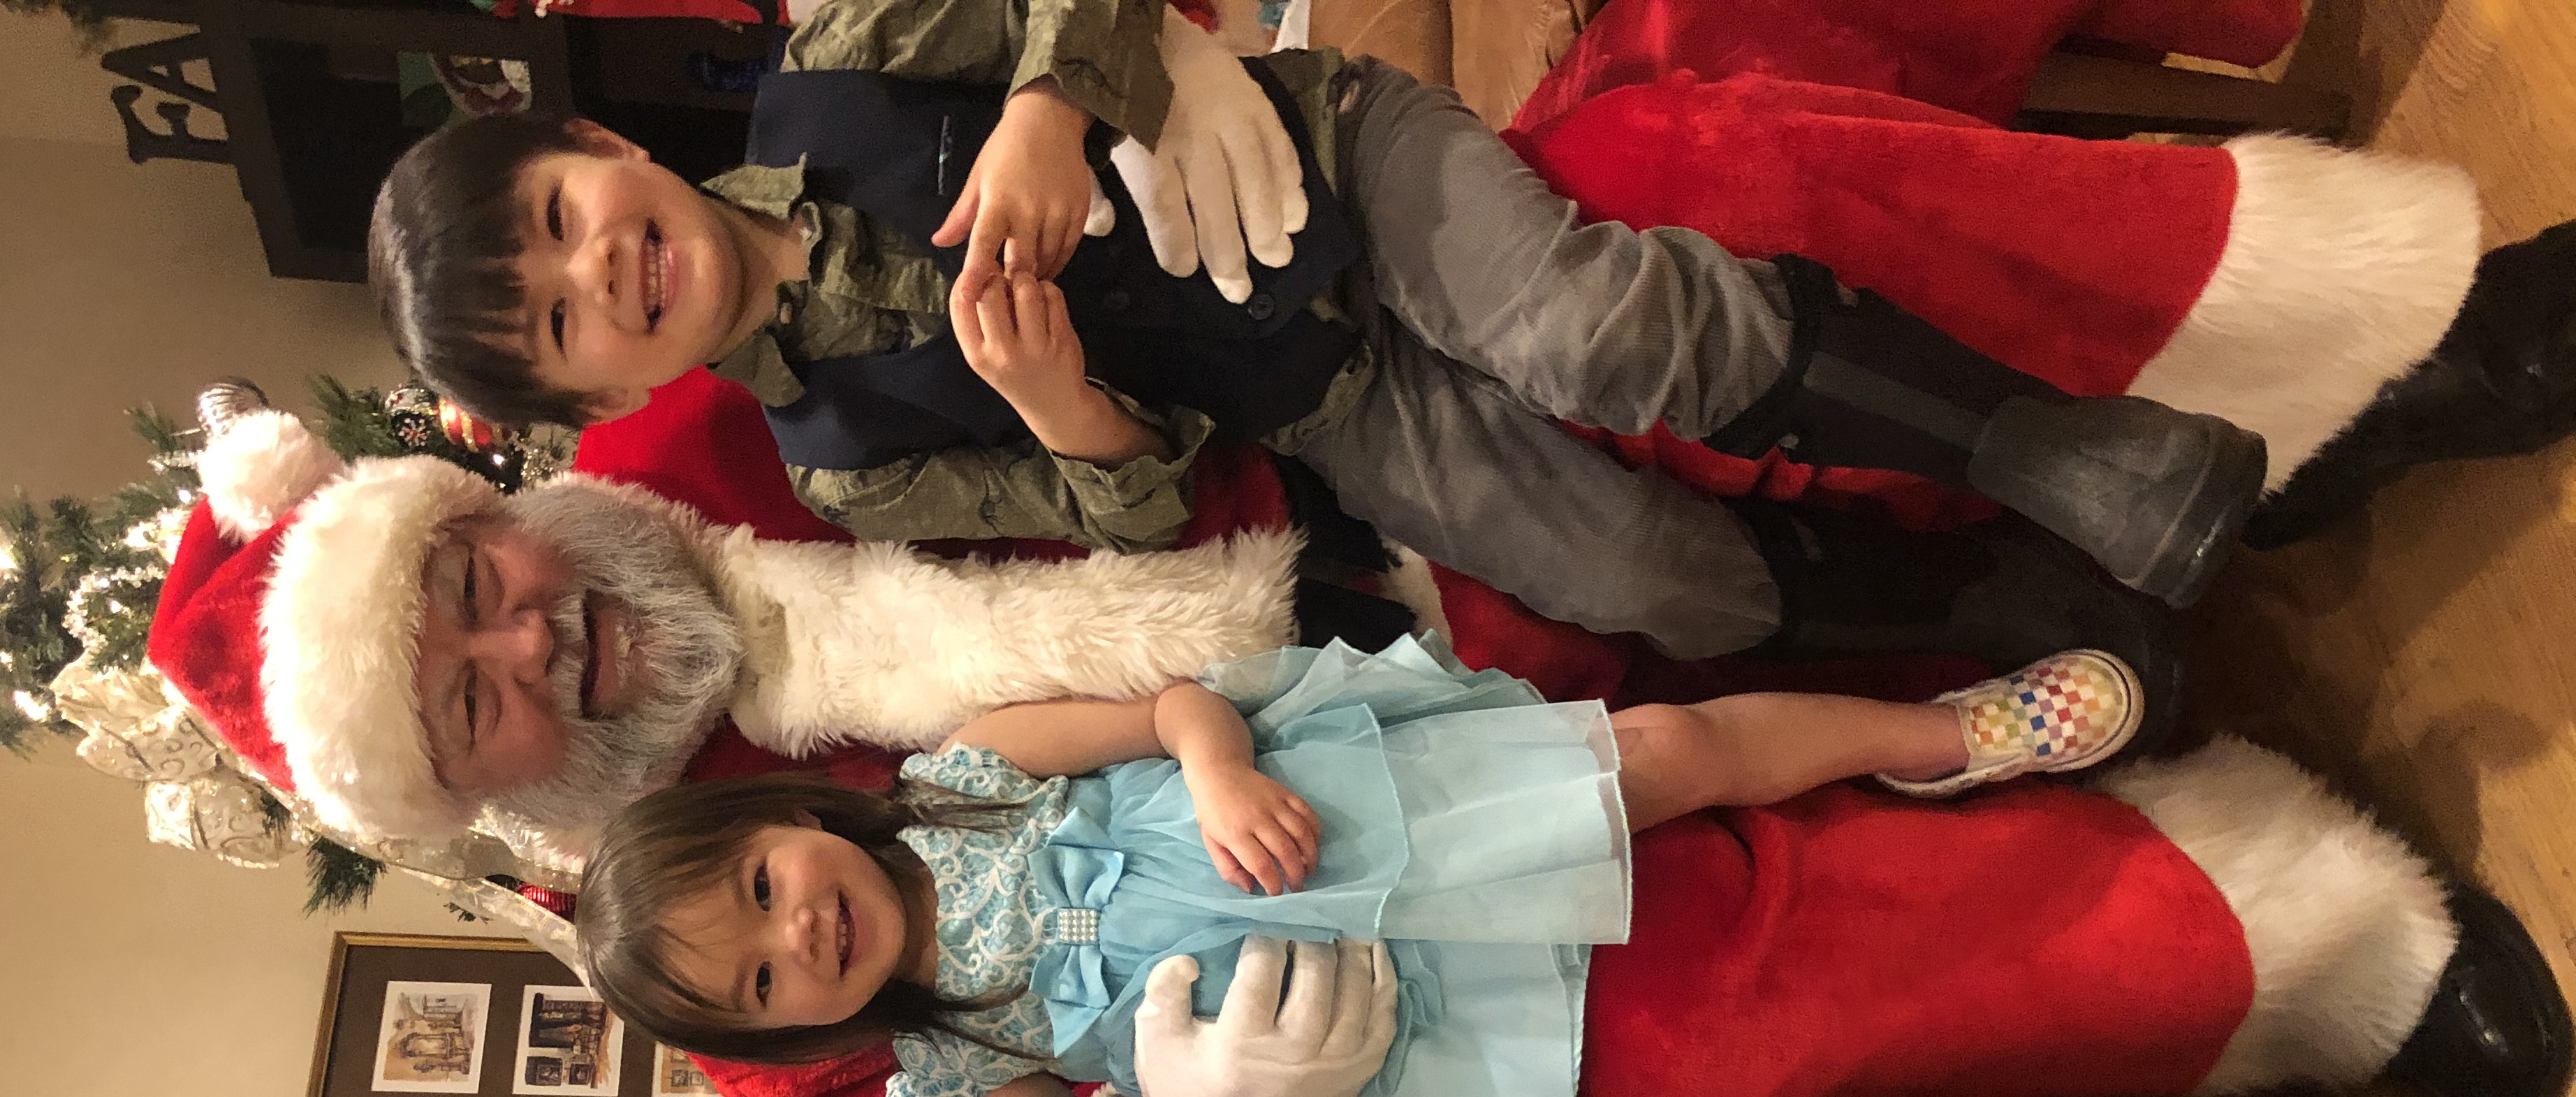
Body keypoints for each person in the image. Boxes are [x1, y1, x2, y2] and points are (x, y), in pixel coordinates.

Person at [140, 407, 2576, 1097]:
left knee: (1656, 343)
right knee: (1713, 1062)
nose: (534, 645)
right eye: (465, 704)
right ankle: (2291, 937)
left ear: (476, 502)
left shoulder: (689, 419)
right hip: (1371, 950)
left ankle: (2235, 445)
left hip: (1337, 587)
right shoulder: (722, 953)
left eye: (472, 586)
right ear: (479, 799)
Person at [367, 0, 2279, 693]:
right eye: (562, 322)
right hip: (1325, 400)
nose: (601, 268)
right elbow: (1134, 524)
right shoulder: (844, 464)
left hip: (1334, 165)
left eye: (563, 215)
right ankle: (1993, 599)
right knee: (1650, 585)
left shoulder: (835, 59)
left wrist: (1046, 103)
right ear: (606, 401)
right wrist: (1068, 414)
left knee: (1593, 324)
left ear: (600, 145)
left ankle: (2052, 449)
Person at [571, 634, 2172, 1097]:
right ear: (783, 1042)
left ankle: (1937, 733)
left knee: (1667, 751)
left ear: (785, 815)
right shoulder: (943, 1059)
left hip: (1354, 831)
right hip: (1354, 1037)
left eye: (765, 886)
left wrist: (1216, 771)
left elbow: (1175, 708)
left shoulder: (965, 771)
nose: (800, 933)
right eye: (764, 981)